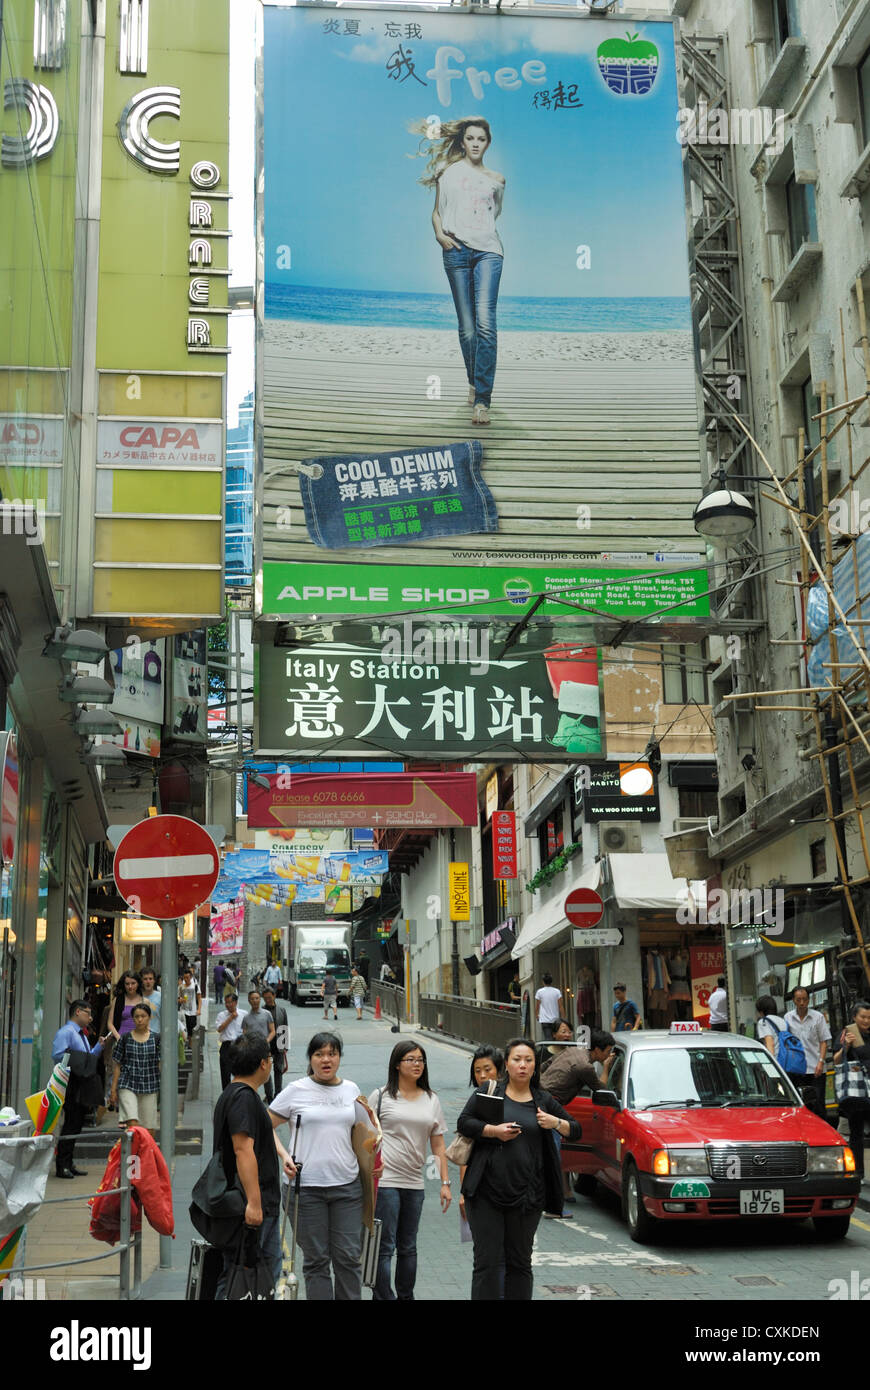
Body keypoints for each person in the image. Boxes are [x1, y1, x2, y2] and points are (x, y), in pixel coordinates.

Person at [458, 1037, 581, 1301]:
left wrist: (555, 1121)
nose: (522, 1065)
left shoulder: (543, 1100)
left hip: (527, 1196)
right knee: (487, 1264)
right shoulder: (490, 1091)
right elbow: (464, 1123)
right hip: (485, 1194)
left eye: (528, 1060)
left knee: (520, 1263)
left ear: (535, 1067)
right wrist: (494, 1131)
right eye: (517, 1060)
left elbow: (576, 1130)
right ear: (507, 1064)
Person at [414, 116, 505, 428]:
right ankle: (473, 381)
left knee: (486, 325)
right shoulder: (448, 172)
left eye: (481, 139)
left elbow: (496, 213)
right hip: (456, 251)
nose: (476, 143)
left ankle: (482, 400)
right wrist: (441, 236)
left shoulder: (497, 179)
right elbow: (437, 212)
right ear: (463, 142)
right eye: (470, 138)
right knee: (467, 328)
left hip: (489, 252)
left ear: (487, 143)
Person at [268, 1032, 365, 1301]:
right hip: (305, 1189)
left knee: (348, 1257)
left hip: (347, 1187)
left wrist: (374, 1163)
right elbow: (266, 1125)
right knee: (317, 1260)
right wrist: (283, 1155)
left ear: (339, 1058)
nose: (326, 1059)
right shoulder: (296, 1090)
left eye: (332, 1054)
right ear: (310, 1058)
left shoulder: (352, 1090)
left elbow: (364, 1134)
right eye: (319, 1054)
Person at [368, 1041, 450, 1301]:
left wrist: (445, 1182)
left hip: (415, 1182)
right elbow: (365, 1138)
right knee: (385, 1247)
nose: (417, 1064)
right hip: (386, 1180)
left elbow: (437, 1143)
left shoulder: (431, 1098)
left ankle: (406, 1296)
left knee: (408, 1247)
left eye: (421, 1060)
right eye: (410, 1059)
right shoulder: (381, 1096)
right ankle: (383, 1297)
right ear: (397, 1064)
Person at [213, 1033, 286, 1298]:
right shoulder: (243, 1098)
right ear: (264, 1064)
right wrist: (254, 1203)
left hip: (247, 1202)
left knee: (250, 1274)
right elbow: (243, 1150)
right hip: (251, 1204)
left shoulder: (234, 1094)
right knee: (241, 1276)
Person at [539, 1022, 615, 1216]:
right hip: (551, 1106)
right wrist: (606, 1068)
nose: (608, 1055)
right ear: (596, 1050)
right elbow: (602, 1089)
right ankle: (553, 1207)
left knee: (548, 1155)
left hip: (542, 1099)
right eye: (607, 1051)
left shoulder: (573, 1051)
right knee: (554, 1157)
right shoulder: (585, 1066)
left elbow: (545, 1066)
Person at [51, 999, 111, 1178]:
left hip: (81, 1083)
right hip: (70, 1082)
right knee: (70, 1123)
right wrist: (75, 1063)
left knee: (76, 1123)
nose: (90, 1018)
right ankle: (62, 1165)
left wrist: (99, 1047)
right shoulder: (66, 1032)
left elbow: (87, 1058)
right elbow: (58, 1056)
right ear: (78, 1012)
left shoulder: (82, 1034)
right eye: (87, 1013)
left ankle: (69, 1162)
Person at [459, 1046, 504, 1223]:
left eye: (487, 1070)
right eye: (477, 1071)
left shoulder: (514, 1096)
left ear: (500, 1071)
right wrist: (464, 1192)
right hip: (481, 1184)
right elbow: (467, 1148)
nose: (482, 1076)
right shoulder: (477, 1100)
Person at [833, 999, 870, 1182]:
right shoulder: (848, 1033)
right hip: (856, 1092)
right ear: (854, 1017)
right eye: (863, 1017)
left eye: (869, 1017)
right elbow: (837, 1060)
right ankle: (859, 1173)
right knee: (856, 1133)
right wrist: (846, 1046)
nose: (866, 1021)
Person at [109, 1003, 160, 1136]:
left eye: (143, 1016)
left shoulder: (156, 1039)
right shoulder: (125, 1038)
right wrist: (113, 1089)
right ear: (132, 1018)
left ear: (149, 1018)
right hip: (127, 1084)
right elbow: (118, 1065)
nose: (140, 1019)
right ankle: (132, 1155)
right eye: (136, 1016)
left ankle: (146, 1155)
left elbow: (160, 1065)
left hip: (150, 1084)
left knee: (149, 1128)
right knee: (133, 1124)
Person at [784, 986, 832, 1119]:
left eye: (804, 999)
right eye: (798, 999)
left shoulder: (818, 1017)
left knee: (818, 1105)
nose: (802, 1003)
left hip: (816, 1068)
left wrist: (821, 1062)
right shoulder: (788, 1018)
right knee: (799, 1105)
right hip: (796, 1069)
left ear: (809, 1000)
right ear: (793, 1000)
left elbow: (824, 1041)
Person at [755, 994, 808, 1091]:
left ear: (761, 1011)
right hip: (788, 1064)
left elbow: (769, 1044)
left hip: (777, 1065)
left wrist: (770, 1068)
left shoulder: (763, 1022)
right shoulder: (782, 1020)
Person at [242, 991, 277, 1101]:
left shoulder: (267, 1014)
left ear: (260, 999)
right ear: (249, 1001)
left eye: (257, 998)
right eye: (252, 999)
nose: (255, 1001)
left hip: (264, 1049)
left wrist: (266, 1041)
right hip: (252, 1050)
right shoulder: (246, 1018)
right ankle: (253, 1097)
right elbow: (244, 1034)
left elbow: (272, 1031)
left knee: (266, 1073)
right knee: (252, 1073)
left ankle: (270, 1097)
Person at [215, 993, 247, 1090]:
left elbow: (247, 1029)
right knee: (225, 1073)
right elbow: (219, 1029)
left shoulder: (244, 1014)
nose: (228, 1005)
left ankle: (240, 1093)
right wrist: (230, 1018)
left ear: (235, 1002)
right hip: (226, 1046)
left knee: (241, 1072)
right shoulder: (221, 1015)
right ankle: (226, 1094)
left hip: (239, 1045)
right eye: (226, 1003)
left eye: (230, 1002)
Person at [262, 987, 288, 1092]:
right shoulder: (262, 1011)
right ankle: (268, 1093)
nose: (267, 1000)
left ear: (274, 996)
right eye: (265, 998)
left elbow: (285, 1027)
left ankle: (278, 1093)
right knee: (266, 1071)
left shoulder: (282, 1010)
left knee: (278, 1069)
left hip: (279, 1045)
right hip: (266, 1045)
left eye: (269, 997)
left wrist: (285, 1046)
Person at [109, 971, 145, 1040]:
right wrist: (118, 1037)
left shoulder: (144, 1001)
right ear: (123, 985)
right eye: (127, 984)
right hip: (121, 1037)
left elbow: (148, 1023)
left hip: (139, 1039)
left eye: (133, 983)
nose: (130, 986)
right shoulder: (118, 1000)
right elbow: (110, 1023)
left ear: (138, 984)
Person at [534, 973, 563, 1041]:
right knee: (555, 1038)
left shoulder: (539, 992)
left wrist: (537, 1015)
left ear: (543, 981)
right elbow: (561, 1006)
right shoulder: (557, 991)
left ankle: (549, 1050)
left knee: (548, 1038)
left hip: (544, 1019)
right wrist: (563, 1017)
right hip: (555, 1019)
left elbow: (537, 1006)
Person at [178, 967, 201, 1044]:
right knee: (184, 1029)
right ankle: (185, 1045)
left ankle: (191, 1046)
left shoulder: (195, 986)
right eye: (184, 978)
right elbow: (178, 998)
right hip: (183, 1011)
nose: (186, 979)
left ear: (191, 977)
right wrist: (180, 1000)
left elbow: (199, 999)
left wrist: (199, 1009)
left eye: (187, 977)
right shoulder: (181, 987)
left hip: (193, 1011)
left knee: (191, 1031)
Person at [140, 969, 162, 1037]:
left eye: (150, 979)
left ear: (154, 981)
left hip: (156, 1036)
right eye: (145, 979)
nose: (148, 981)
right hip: (139, 1035)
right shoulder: (137, 997)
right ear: (141, 981)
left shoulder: (161, 997)